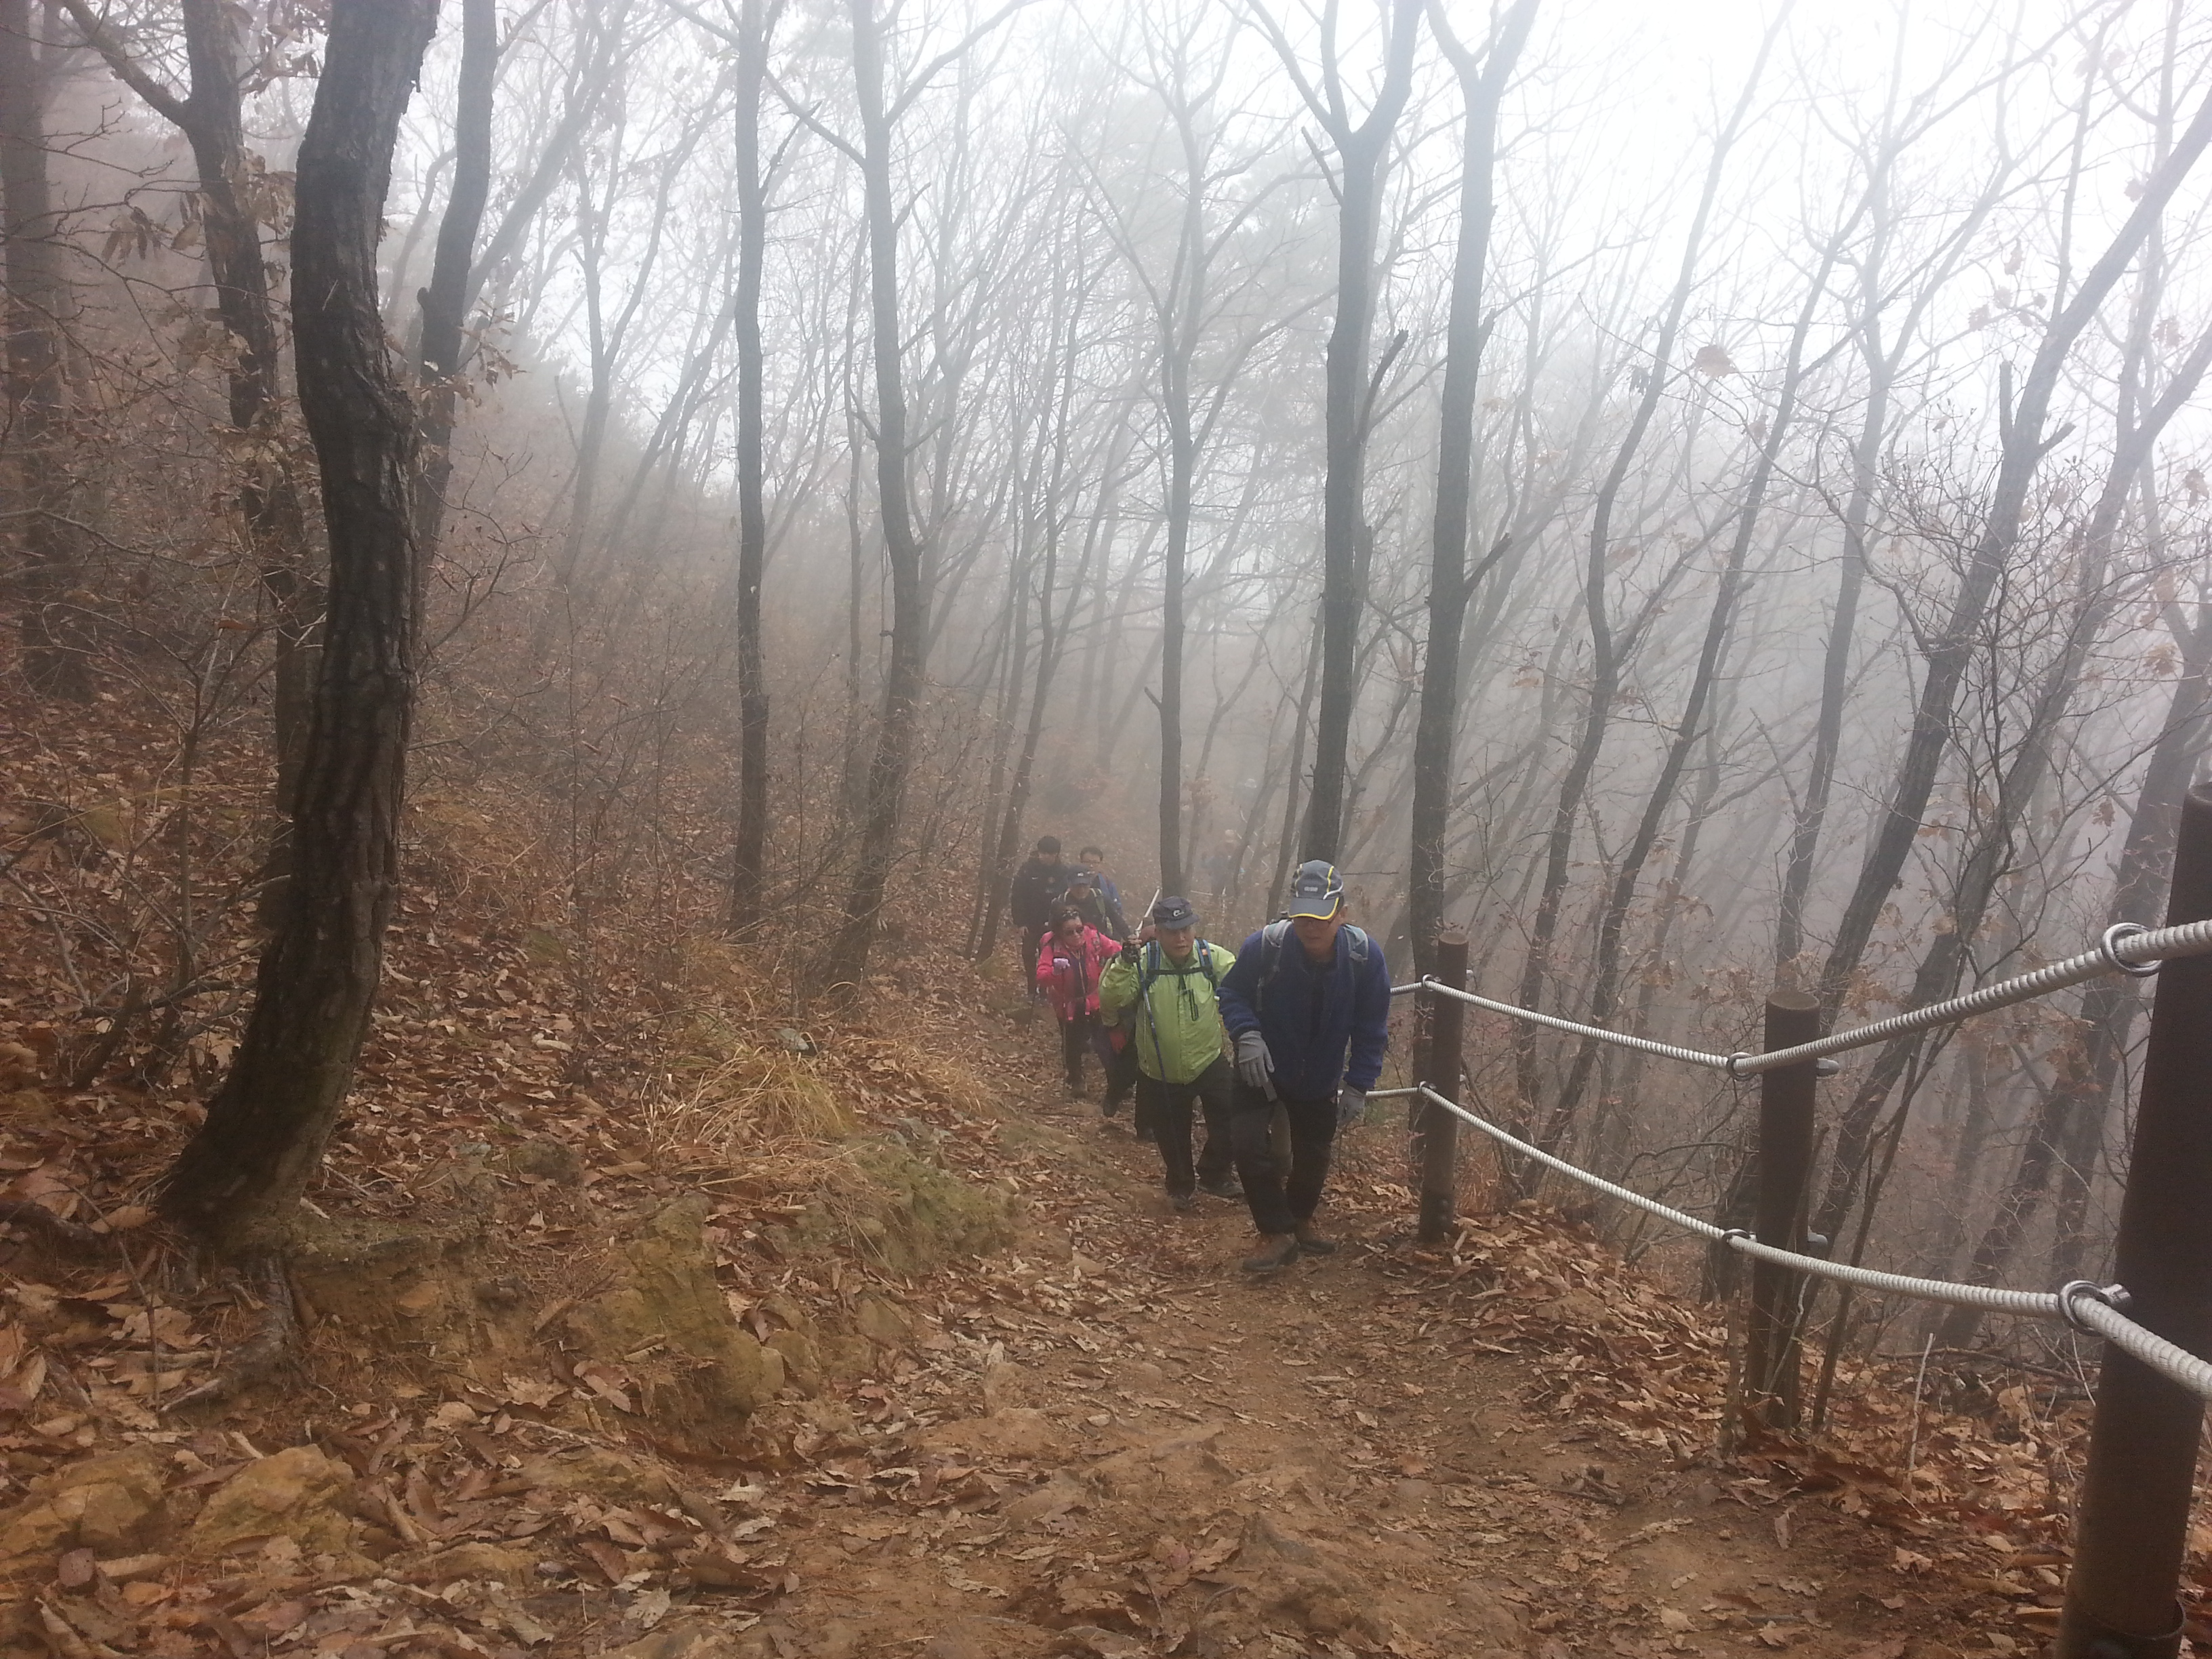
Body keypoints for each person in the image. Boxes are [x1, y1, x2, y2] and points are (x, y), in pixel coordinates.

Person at [1214, 860, 1391, 1273]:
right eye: (1302, 916)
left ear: (1341, 913)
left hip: (1320, 1073)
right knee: (1245, 1143)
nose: (1310, 926)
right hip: (1260, 1065)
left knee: (1314, 1153)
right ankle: (1275, 1232)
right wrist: (1247, 1035)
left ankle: (1299, 1219)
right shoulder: (1265, 946)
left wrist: (1358, 1084)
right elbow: (1232, 992)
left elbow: (1371, 1027)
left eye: (1321, 916)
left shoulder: (1364, 958)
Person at [1099, 897, 1242, 1214]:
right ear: (1158, 932)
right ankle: (1181, 1185)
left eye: (1186, 929)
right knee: (1172, 1132)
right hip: (1159, 1068)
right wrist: (1123, 963)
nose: (1181, 938)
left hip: (1208, 1059)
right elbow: (1111, 995)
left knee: (1233, 1118)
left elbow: (1241, 984)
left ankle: (1214, 1173)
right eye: (1172, 931)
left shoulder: (1211, 957)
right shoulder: (1142, 961)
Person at [1036, 903, 1122, 1098]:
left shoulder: (1094, 939)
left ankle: (1116, 1082)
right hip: (1068, 1005)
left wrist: (1128, 953)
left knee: (1104, 1042)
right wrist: (1055, 971)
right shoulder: (1052, 947)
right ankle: (1076, 1079)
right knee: (1072, 1044)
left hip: (1094, 999)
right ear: (1059, 932)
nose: (1076, 935)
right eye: (1069, 932)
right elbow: (1041, 976)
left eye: (1079, 929)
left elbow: (1115, 949)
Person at [1010, 837, 1069, 1000]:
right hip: (1030, 922)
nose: (1045, 857)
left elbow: (1067, 899)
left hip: (1052, 925)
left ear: (1056, 855)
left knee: (1047, 957)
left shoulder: (1063, 873)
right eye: (1042, 853)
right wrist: (1020, 922)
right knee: (1028, 954)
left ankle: (1044, 992)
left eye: (1049, 854)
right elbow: (1017, 896)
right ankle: (1031, 989)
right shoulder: (1028, 869)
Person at [1076, 846, 1130, 939]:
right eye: (1088, 862)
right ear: (1080, 862)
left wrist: (1117, 937)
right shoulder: (1071, 884)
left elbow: (1117, 912)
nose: (1091, 866)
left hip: (1102, 936)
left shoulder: (1107, 884)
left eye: (1095, 863)